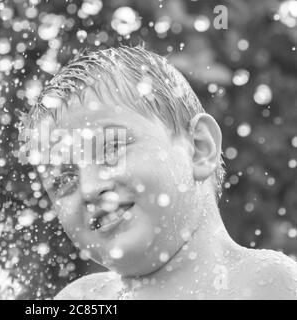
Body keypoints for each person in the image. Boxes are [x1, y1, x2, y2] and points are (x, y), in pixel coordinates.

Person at [20, 46, 297, 299]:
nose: (90, 187)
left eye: (111, 148)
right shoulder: (82, 298)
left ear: (200, 148)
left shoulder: (262, 282)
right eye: (64, 180)